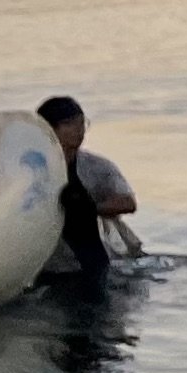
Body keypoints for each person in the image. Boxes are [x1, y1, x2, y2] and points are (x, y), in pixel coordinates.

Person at [34, 95, 137, 279]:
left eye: (82, 123)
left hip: (94, 260)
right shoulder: (30, 171)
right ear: (48, 129)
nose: (78, 130)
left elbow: (128, 203)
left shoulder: (97, 166)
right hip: (48, 262)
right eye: (69, 124)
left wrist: (89, 209)